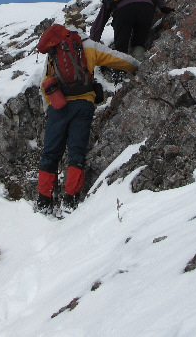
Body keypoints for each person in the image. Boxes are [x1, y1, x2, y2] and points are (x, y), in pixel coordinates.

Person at [35, 24, 139, 216]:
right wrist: (137, 65)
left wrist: (48, 108)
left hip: (58, 106)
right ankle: (70, 201)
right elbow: (117, 58)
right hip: (83, 105)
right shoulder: (89, 46)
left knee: (50, 154)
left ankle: (43, 203)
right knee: (76, 152)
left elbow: (45, 82)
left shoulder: (54, 50)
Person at [90, 0, 174, 63]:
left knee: (121, 47)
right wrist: (162, 7)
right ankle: (139, 66)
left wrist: (92, 45)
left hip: (123, 12)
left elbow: (99, 23)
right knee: (138, 43)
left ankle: (121, 69)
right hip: (146, 8)